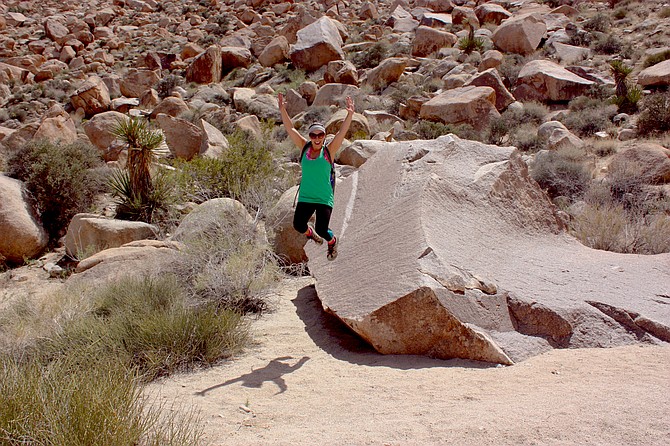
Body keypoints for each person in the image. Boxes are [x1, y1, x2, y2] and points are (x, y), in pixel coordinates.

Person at [278, 92, 355, 260]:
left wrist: (349, 114)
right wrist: (282, 109)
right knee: (298, 225)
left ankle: (332, 241)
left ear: (324, 137)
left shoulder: (329, 151)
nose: (317, 138)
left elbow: (342, 132)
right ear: (310, 137)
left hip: (323, 197)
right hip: (306, 195)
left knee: (323, 229)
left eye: (320, 135)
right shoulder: (304, 148)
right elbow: (290, 128)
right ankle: (310, 233)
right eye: (314, 135)